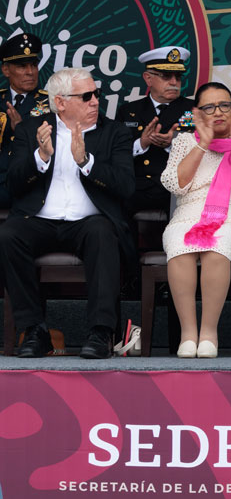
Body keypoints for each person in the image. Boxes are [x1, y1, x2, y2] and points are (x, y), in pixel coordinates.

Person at [0, 67, 134, 359]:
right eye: (86, 96)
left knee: (102, 232)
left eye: (96, 94)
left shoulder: (115, 133)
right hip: (40, 222)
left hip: (89, 223)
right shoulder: (31, 130)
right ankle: (34, 331)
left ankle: (100, 332)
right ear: (60, 102)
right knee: (9, 235)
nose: (95, 101)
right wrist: (41, 157)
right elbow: (12, 184)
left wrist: (86, 161)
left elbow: (126, 187)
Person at [161, 83, 231, 358]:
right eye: (209, 107)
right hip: (188, 216)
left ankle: (209, 333)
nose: (218, 112)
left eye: (224, 105)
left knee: (216, 245)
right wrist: (202, 143)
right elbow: (175, 184)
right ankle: (188, 334)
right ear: (197, 113)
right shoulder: (185, 142)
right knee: (179, 244)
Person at [117, 46, 195, 216]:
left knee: (184, 209)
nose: (174, 83)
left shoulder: (194, 109)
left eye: (178, 77)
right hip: (140, 185)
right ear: (148, 78)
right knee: (116, 203)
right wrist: (142, 143)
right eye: (166, 76)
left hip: (178, 185)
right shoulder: (129, 110)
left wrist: (173, 143)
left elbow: (206, 150)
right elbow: (116, 152)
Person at [0, 31, 48, 205]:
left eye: (33, 65)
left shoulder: (51, 103)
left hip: (33, 183)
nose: (30, 72)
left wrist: (21, 128)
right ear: (6, 70)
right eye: (22, 66)